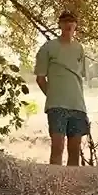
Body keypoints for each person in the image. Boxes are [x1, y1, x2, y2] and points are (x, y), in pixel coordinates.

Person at [35, 10, 88, 166]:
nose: (68, 24)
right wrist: (53, 95)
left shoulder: (79, 49)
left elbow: (79, 78)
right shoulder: (48, 47)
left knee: (75, 149)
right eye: (65, 21)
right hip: (57, 105)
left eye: (71, 21)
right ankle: (55, 186)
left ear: (76, 25)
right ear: (59, 24)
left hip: (77, 105)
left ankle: (72, 188)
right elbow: (40, 78)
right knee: (57, 147)